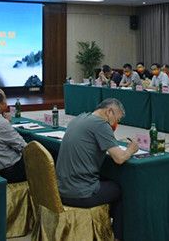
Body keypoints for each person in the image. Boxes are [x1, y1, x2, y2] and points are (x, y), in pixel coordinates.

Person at [56, 98, 138, 241]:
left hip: (60, 189)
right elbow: (119, 158)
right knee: (120, 190)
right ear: (109, 112)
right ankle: (117, 237)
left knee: (107, 180)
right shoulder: (101, 124)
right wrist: (131, 149)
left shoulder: (80, 118)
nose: (116, 124)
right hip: (80, 193)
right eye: (117, 119)